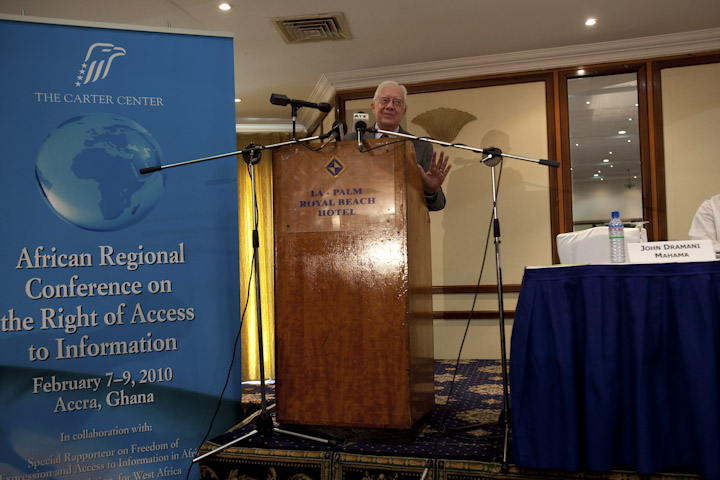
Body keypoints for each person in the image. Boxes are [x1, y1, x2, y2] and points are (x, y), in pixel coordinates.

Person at [344, 80, 450, 211]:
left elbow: (437, 205)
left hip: (404, 226)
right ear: (373, 107)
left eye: (397, 102)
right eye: (384, 100)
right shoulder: (352, 141)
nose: (390, 106)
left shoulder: (420, 146)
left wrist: (431, 190)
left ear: (404, 111)